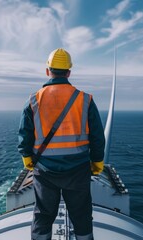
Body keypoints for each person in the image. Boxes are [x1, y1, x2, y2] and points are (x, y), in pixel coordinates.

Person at [18, 48, 105, 240]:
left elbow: (24, 135)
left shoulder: (33, 100)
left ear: (48, 71)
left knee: (43, 215)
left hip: (45, 170)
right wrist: (97, 162)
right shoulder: (85, 99)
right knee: (81, 215)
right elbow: (97, 137)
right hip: (78, 169)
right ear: (69, 72)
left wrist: (27, 158)